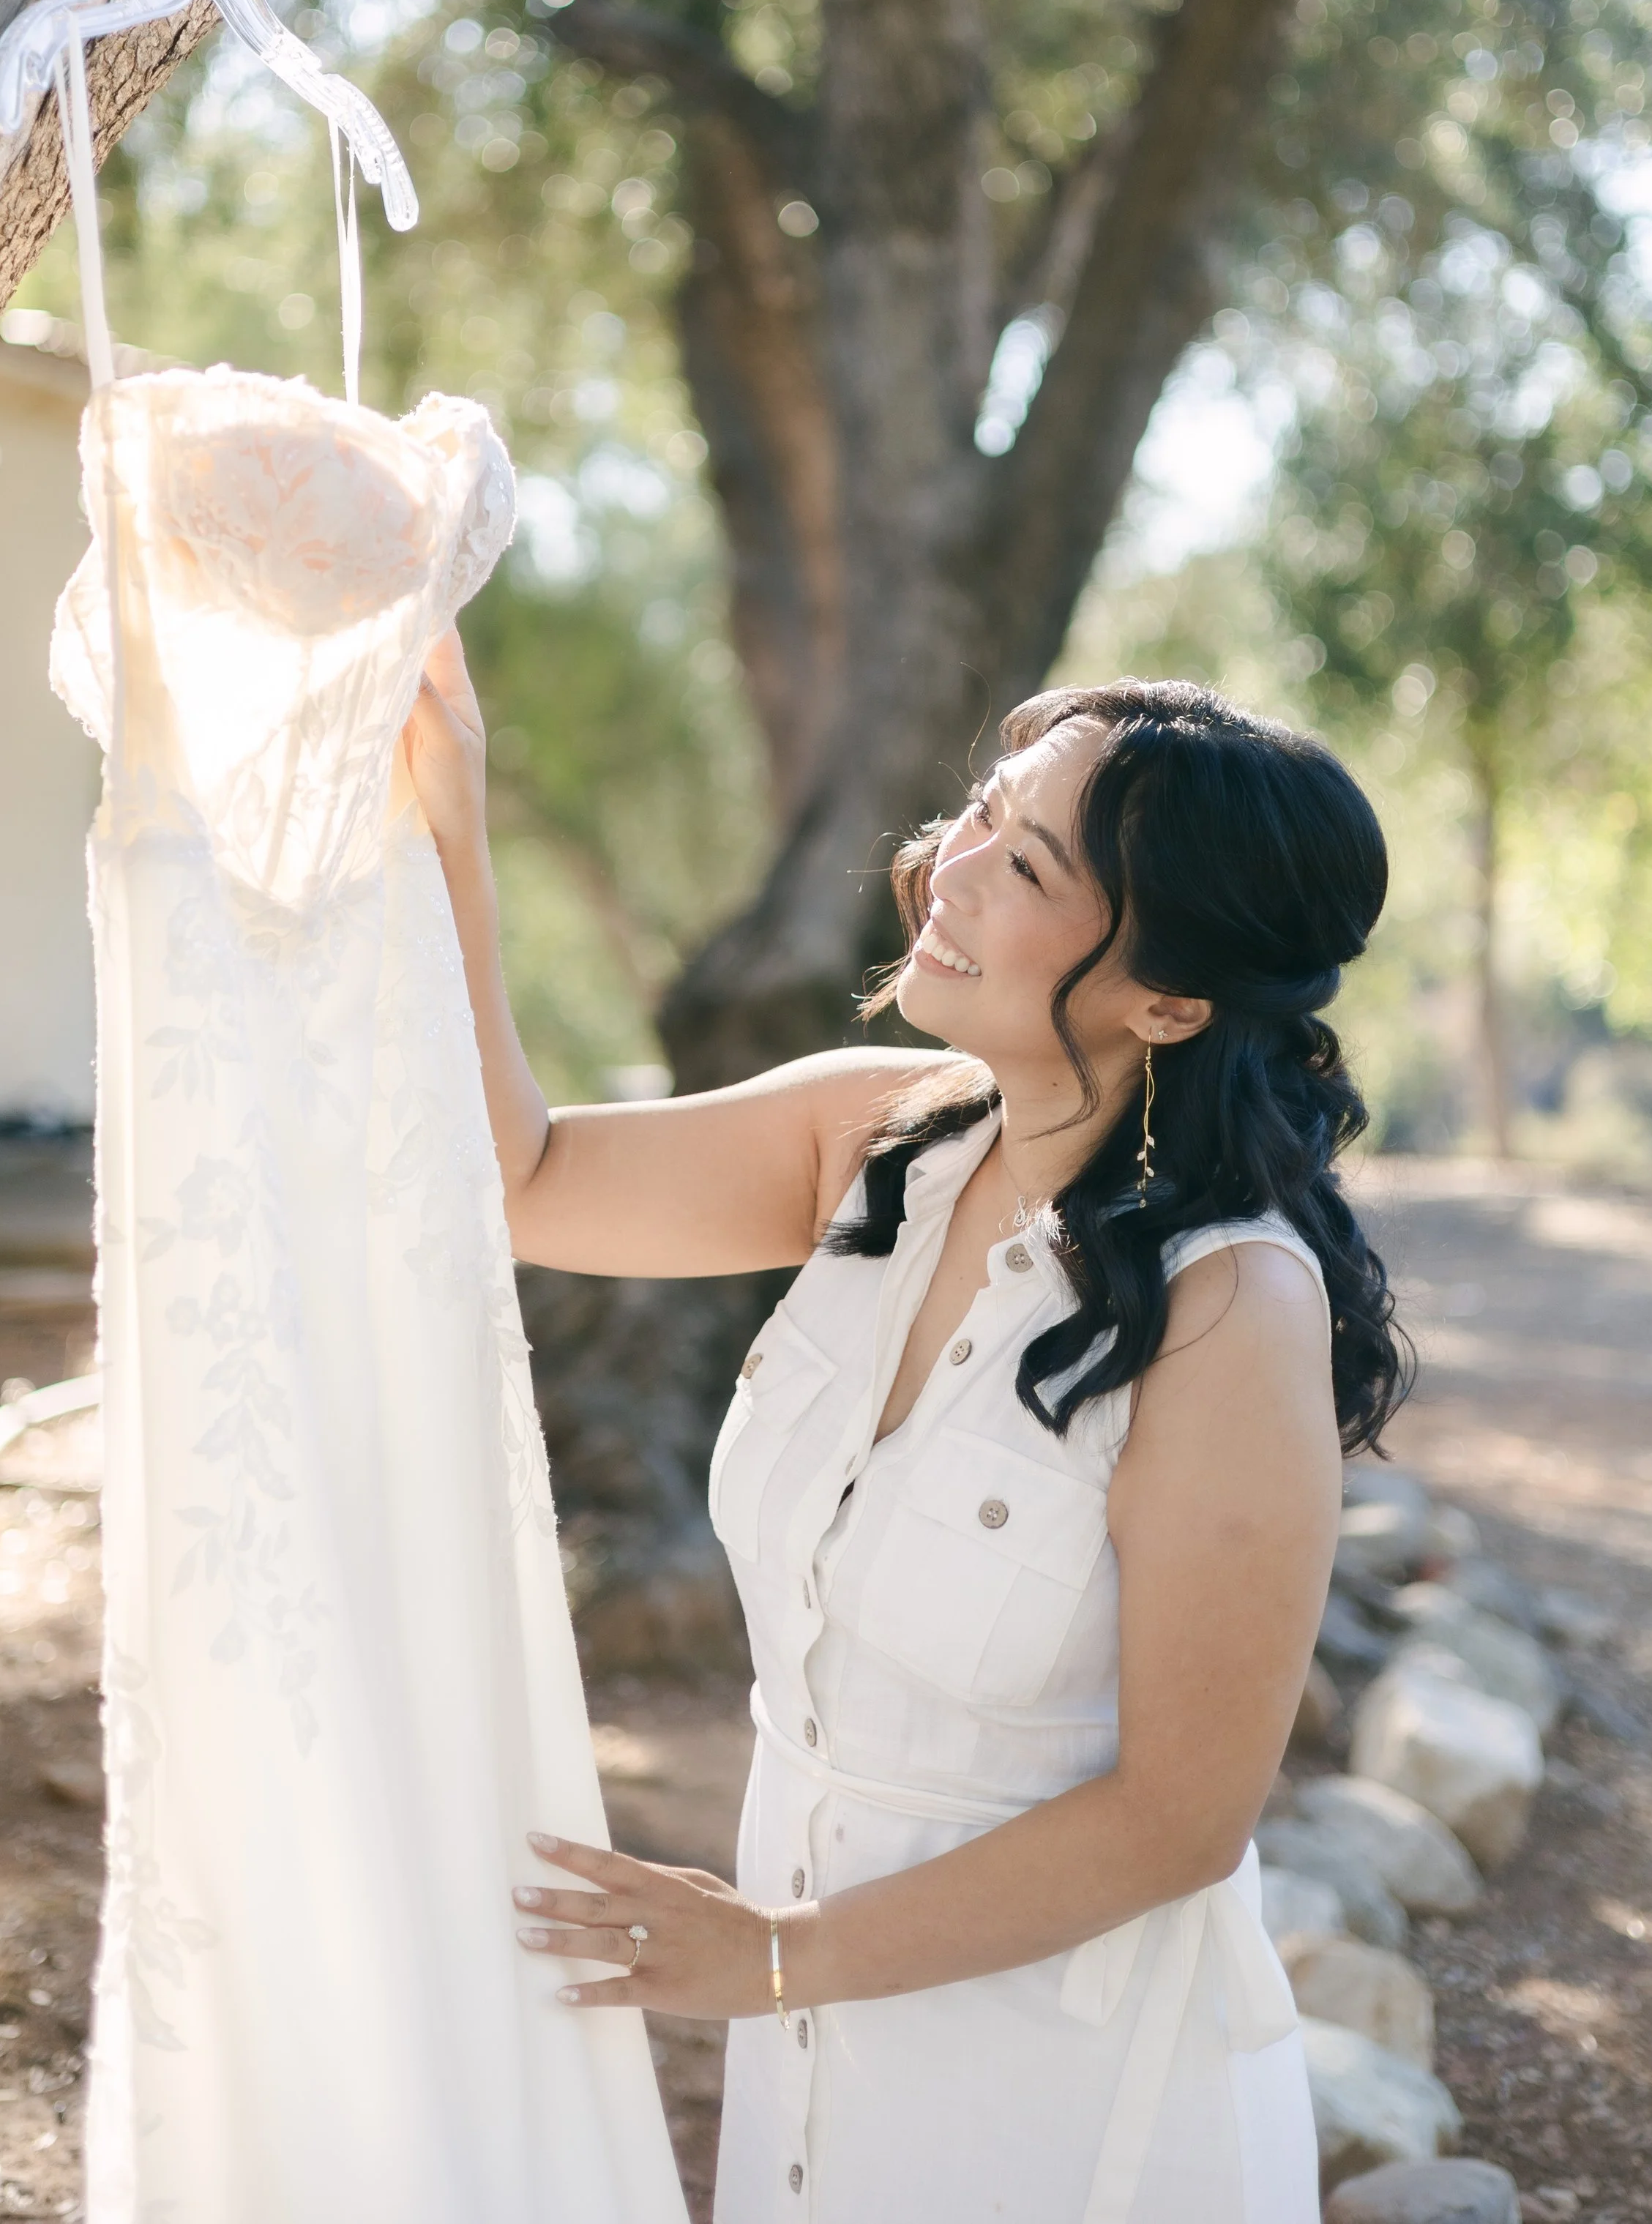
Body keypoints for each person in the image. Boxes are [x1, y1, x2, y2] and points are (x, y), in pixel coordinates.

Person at [405, 654, 1409, 2224]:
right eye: (976, 816)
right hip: (809, 2059)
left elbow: (1180, 1819)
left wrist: (772, 1955)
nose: (944, 861)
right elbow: (515, 1177)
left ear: (1168, 997)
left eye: (1022, 865)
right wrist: (449, 821)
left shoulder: (1231, 1312)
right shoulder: (879, 1138)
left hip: (1072, 2117)